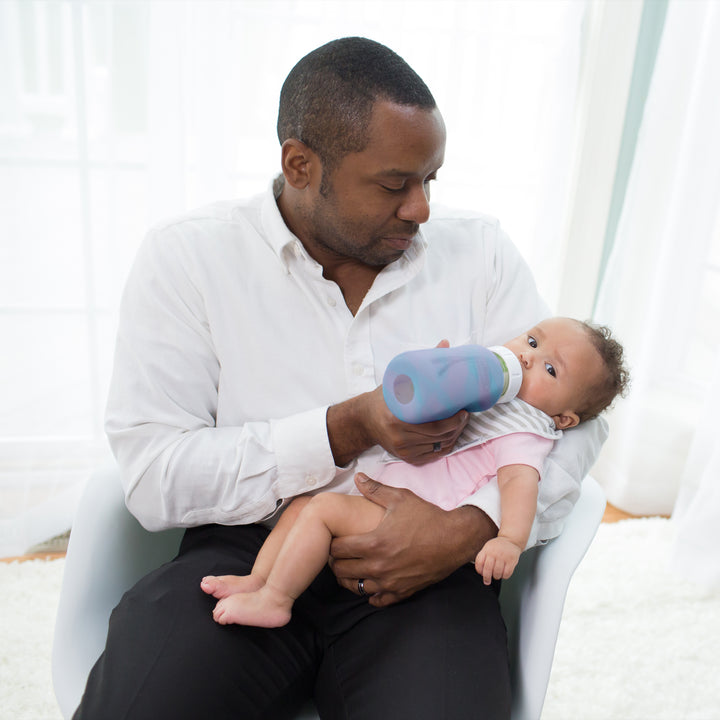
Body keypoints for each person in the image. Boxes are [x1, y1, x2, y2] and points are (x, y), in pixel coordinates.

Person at [75, 38, 609, 720]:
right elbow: (153, 473)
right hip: (252, 548)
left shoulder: (479, 253)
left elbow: (577, 420)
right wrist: (348, 426)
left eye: (430, 180)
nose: (419, 208)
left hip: (427, 558)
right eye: (393, 184)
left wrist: (471, 527)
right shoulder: (189, 259)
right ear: (300, 165)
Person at [201, 317, 628, 627]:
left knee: (321, 511)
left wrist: (510, 539)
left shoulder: (526, 430)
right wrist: (442, 373)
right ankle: (258, 580)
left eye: (551, 369)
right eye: (532, 341)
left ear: (566, 418)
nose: (527, 358)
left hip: (413, 517)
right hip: (384, 493)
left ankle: (276, 600)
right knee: (302, 506)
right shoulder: (489, 396)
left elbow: (520, 482)